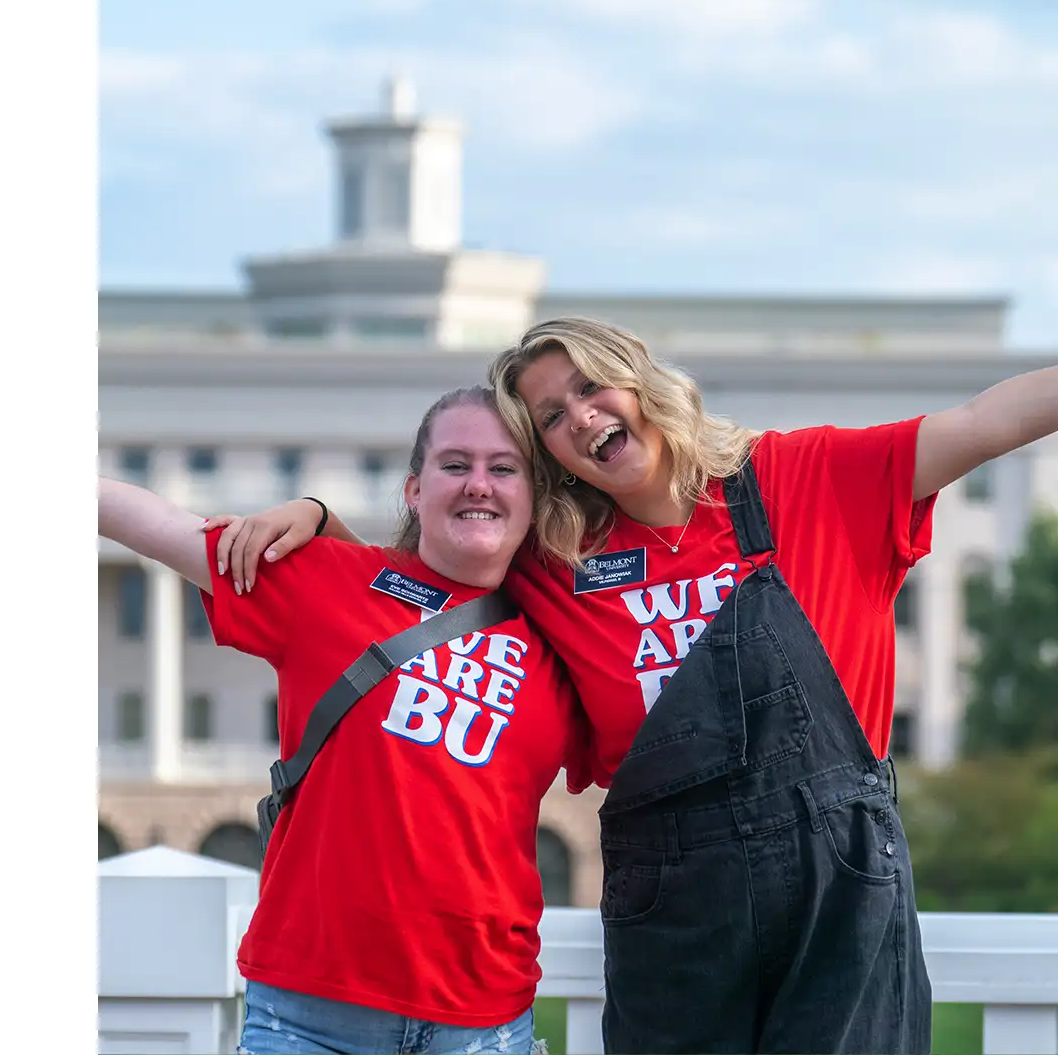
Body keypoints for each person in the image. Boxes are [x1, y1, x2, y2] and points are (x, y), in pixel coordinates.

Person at [217, 315, 1058, 1053]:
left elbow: (988, 422)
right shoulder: (554, 559)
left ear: (639, 378)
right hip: (675, 896)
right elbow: (428, 566)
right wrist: (318, 517)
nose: (580, 416)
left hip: (834, 881)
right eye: (551, 415)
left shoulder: (806, 479)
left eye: (590, 386)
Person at [100, 387, 587, 1055]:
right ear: (414, 490)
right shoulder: (326, 580)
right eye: (455, 464)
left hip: (483, 1021)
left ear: (533, 498)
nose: (479, 484)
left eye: (503, 469)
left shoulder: (561, 642)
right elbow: (159, 525)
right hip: (308, 1013)